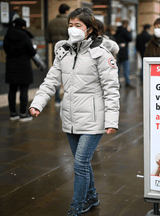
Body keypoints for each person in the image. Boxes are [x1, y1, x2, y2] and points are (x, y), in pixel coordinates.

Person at [29, 7, 120, 216]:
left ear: (89, 29)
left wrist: (112, 121)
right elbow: (51, 80)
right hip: (70, 117)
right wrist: (38, 103)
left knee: (80, 164)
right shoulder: (64, 52)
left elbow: (112, 89)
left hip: (94, 119)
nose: (72, 29)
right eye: (70, 25)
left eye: (77, 25)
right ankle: (92, 196)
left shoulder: (102, 54)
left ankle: (77, 205)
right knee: (83, 163)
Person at [3, 18, 37, 122]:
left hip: (11, 65)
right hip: (24, 66)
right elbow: (32, 52)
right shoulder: (25, 36)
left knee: (12, 90)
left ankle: (13, 113)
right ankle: (23, 113)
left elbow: (5, 49)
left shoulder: (8, 35)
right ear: (23, 26)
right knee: (23, 90)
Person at [45, 3, 70, 107]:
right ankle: (68, 99)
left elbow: (47, 39)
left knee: (57, 75)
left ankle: (57, 99)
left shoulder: (51, 23)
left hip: (56, 52)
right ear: (66, 11)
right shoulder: (68, 23)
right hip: (68, 51)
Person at [115, 20, 135, 89]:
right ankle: (127, 83)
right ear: (126, 24)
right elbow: (130, 38)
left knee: (117, 69)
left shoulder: (117, 30)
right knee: (126, 68)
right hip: (124, 52)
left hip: (117, 52)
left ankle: (117, 83)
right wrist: (129, 31)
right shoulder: (125, 31)